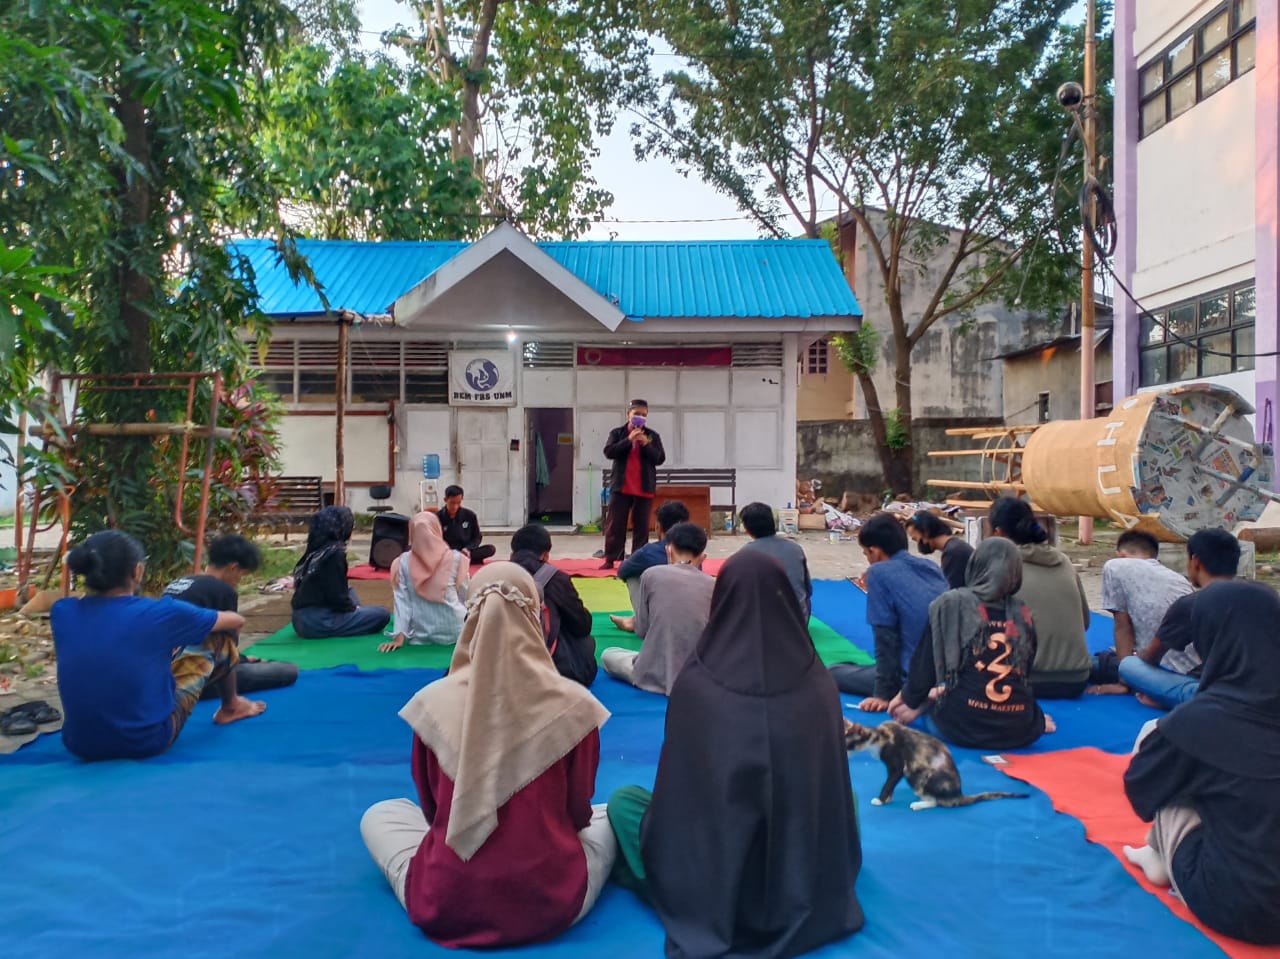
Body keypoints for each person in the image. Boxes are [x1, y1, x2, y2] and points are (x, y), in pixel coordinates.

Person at [606, 551, 863, 958]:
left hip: (712, 876)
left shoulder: (698, 685)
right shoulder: (819, 685)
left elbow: (678, 796)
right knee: (845, 801)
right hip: (802, 875)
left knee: (623, 804)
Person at [360, 562, 616, 948]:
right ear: (535, 614)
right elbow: (578, 812)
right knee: (607, 814)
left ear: (471, 616)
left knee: (381, 814)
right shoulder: (575, 708)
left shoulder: (432, 704)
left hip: (443, 901)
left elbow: (432, 813)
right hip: (552, 902)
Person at [1123, 579, 1280, 945]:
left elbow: (1142, 791)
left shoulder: (1200, 721)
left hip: (1242, 908)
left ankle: (1159, 854)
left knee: (1157, 740)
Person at [52, 530, 265, 761]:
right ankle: (231, 706)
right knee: (219, 640)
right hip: (146, 740)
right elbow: (236, 621)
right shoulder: (159, 612)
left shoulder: (62, 611)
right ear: (137, 570)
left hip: (79, 744)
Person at [889, 537, 1050, 749]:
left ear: (975, 565)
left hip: (962, 728)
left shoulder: (951, 603)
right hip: (1020, 732)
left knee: (940, 702)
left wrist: (908, 700)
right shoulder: (1023, 613)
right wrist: (1033, 720)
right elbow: (1024, 672)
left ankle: (928, 704)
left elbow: (925, 666)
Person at [829, 513, 948, 711]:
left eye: (866, 554)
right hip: (946, 672)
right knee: (855, 667)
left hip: (911, 677)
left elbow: (886, 637)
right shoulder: (930, 566)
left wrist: (882, 695)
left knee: (831, 672)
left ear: (874, 551)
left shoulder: (878, 573)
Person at [164, 533, 298, 697]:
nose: (238, 582)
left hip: (158, 674)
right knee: (287, 670)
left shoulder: (178, 583)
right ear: (233, 567)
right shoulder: (222, 590)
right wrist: (242, 661)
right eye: (241, 576)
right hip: (189, 677)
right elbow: (227, 648)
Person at [1117, 528, 1238, 709]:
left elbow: (1151, 657)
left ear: (1195, 561)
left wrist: (1136, 655)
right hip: (1269, 692)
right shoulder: (1266, 596)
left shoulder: (1192, 604)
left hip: (1220, 698)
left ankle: (1171, 699)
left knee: (1129, 665)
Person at [989, 497, 1091, 698]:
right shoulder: (1064, 561)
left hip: (1024, 680)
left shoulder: (1002, 568)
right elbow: (1085, 622)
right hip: (1077, 678)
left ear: (999, 532)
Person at [601, 522, 715, 694]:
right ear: (703, 557)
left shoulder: (651, 574)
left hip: (653, 673)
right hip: (699, 673)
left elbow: (642, 631)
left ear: (668, 550)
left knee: (609, 654)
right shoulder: (713, 584)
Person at [1090, 528, 1195, 694]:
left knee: (1085, 665)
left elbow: (1122, 626)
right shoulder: (1177, 578)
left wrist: (1124, 683)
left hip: (1165, 671)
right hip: (1193, 670)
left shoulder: (1115, 566)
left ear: (1120, 554)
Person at [510, 524, 598, 686]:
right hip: (545, 667)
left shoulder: (491, 576)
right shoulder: (555, 578)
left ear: (512, 553)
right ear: (545, 555)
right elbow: (582, 626)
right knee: (586, 641)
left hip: (494, 665)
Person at [291, 505, 391, 639]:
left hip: (300, 619)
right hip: (318, 622)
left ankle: (354, 615)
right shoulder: (334, 554)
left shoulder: (315, 549)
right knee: (382, 614)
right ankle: (352, 617)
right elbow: (337, 597)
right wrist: (353, 609)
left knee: (350, 591)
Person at [379, 511, 469, 652]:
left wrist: (399, 638)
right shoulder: (457, 559)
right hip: (457, 631)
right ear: (437, 529)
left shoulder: (402, 563)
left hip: (422, 635)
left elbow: (402, 603)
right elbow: (466, 597)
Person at [601, 399, 666, 569]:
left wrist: (646, 444)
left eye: (644, 415)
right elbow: (609, 452)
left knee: (641, 526)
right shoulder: (618, 433)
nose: (640, 417)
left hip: (644, 486)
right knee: (616, 523)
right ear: (628, 414)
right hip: (621, 486)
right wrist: (628, 440)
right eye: (637, 413)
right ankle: (611, 558)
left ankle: (638, 558)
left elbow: (659, 458)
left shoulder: (652, 435)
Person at [610, 500, 690, 633]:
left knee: (633, 573)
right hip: (691, 622)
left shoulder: (649, 552)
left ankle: (640, 621)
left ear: (658, 526)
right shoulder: (694, 551)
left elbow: (623, 571)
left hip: (658, 623)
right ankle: (638, 620)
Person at [738, 501, 813, 618]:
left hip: (763, 626)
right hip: (798, 623)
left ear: (747, 530)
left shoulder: (745, 554)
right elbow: (808, 590)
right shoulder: (795, 548)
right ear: (773, 523)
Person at [905, 510, 974, 590]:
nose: (918, 545)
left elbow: (952, 595)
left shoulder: (953, 552)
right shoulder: (955, 547)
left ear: (926, 532)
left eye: (916, 539)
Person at [436, 485, 495, 563]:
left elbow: (477, 537)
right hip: (448, 552)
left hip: (466, 551)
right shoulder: (437, 517)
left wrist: (468, 548)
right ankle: (461, 560)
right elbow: (435, 540)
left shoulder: (470, 515)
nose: (455, 506)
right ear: (445, 499)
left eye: (458, 503)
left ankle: (461, 560)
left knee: (490, 549)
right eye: (452, 503)